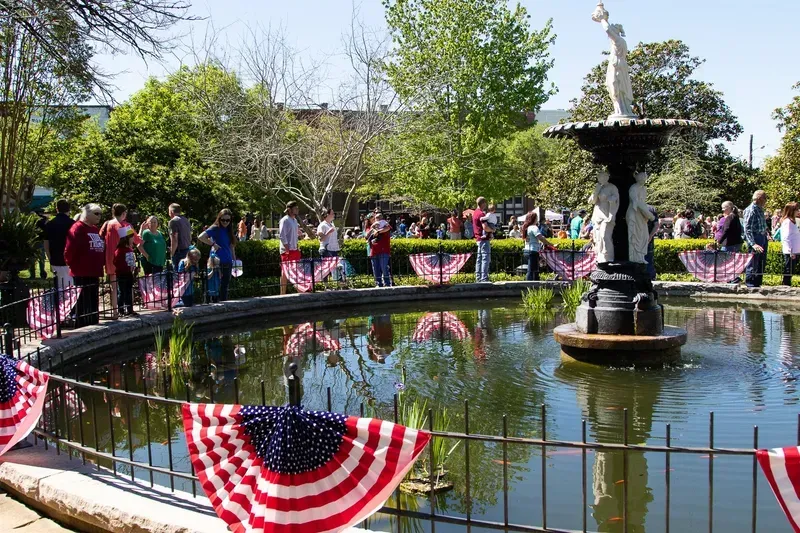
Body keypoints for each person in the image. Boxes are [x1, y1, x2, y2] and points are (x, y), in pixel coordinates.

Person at [64, 204, 105, 326]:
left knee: (93, 299)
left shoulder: (94, 229)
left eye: (100, 213)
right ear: (87, 214)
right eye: (96, 213)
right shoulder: (77, 228)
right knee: (83, 301)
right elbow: (69, 250)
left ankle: (93, 320)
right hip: (81, 271)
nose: (99, 216)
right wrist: (73, 264)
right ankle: (82, 323)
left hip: (94, 271)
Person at [99, 203, 136, 319]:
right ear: (124, 213)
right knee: (127, 286)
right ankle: (129, 308)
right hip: (124, 259)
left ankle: (116, 311)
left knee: (114, 286)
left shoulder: (107, 224)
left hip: (111, 258)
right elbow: (133, 241)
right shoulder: (126, 226)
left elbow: (101, 238)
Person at [198, 209, 237, 301]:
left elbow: (231, 246)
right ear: (219, 219)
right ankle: (214, 303)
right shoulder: (215, 228)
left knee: (225, 285)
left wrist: (234, 259)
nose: (225, 222)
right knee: (215, 285)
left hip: (228, 260)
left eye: (228, 220)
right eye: (223, 220)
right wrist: (212, 244)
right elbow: (201, 237)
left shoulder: (229, 230)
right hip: (217, 261)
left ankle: (224, 303)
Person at [44, 200, 75, 289]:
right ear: (69, 209)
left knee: (59, 286)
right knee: (71, 288)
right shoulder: (73, 224)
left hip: (55, 259)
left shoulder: (50, 224)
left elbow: (46, 245)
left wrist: (50, 259)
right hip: (70, 260)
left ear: (57, 209)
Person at [743, 190, 769, 288]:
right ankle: (750, 285)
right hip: (755, 238)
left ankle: (758, 284)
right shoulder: (751, 210)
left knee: (761, 262)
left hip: (762, 237)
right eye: (764, 198)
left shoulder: (760, 209)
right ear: (759, 199)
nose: (765, 201)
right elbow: (747, 229)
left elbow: (761, 224)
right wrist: (753, 244)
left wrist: (767, 234)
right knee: (753, 262)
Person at [113, 227, 138, 316]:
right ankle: (121, 310)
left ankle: (129, 309)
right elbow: (117, 262)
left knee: (128, 292)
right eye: (131, 237)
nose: (133, 239)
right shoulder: (119, 251)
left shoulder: (129, 249)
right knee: (122, 292)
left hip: (129, 273)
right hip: (122, 273)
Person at [522, 211, 554, 281]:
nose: (537, 220)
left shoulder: (527, 227)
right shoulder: (534, 227)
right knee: (532, 271)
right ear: (534, 219)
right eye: (536, 218)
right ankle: (529, 286)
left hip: (527, 250)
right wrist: (551, 244)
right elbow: (540, 238)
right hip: (533, 251)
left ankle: (535, 285)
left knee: (533, 270)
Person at [277, 201, 300, 295]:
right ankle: (282, 294)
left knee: (296, 271)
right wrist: (287, 248)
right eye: (295, 208)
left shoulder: (295, 220)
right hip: (286, 250)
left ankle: (300, 290)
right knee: (285, 272)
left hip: (294, 249)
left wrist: (297, 246)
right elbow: (282, 235)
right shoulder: (284, 220)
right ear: (290, 210)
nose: (297, 210)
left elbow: (295, 235)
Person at [369, 212, 393, 287]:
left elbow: (388, 228)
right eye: (376, 219)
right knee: (375, 269)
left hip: (384, 250)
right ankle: (378, 283)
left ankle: (387, 283)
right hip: (374, 250)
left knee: (384, 267)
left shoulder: (385, 225)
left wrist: (378, 231)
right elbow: (367, 237)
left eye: (378, 218)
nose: (377, 220)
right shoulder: (373, 227)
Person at [473, 197, 493, 282]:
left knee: (479, 259)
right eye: (485, 203)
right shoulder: (481, 214)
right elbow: (485, 227)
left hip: (478, 239)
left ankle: (478, 277)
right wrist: (492, 230)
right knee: (485, 259)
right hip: (484, 239)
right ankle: (484, 278)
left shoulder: (475, 213)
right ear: (483, 203)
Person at [780, 202, 800, 286]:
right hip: (790, 251)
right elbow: (786, 237)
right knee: (789, 269)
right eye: (796, 210)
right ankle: (786, 285)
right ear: (791, 211)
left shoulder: (793, 221)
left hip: (795, 249)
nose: (798, 211)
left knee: (792, 269)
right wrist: (790, 250)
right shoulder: (787, 222)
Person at [168, 203, 192, 269]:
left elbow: (174, 239)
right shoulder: (186, 220)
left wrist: (172, 254)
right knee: (186, 274)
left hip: (179, 252)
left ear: (171, 212)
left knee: (178, 275)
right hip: (187, 249)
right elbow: (190, 237)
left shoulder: (173, 221)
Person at [29, 209, 48, 279]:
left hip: (36, 242)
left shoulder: (38, 222)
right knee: (40, 259)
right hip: (37, 242)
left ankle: (34, 274)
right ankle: (41, 273)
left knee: (35, 259)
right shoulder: (41, 221)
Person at [645, 206, 660, 280]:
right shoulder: (651, 208)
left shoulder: (635, 205)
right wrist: (650, 236)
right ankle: (651, 278)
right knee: (649, 259)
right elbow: (656, 225)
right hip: (648, 238)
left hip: (638, 238)